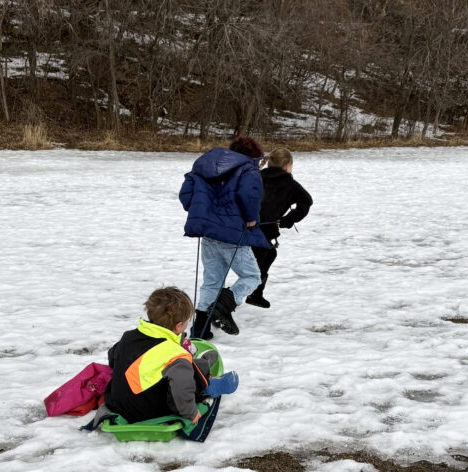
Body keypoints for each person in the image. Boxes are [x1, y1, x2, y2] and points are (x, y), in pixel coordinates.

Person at [104, 286, 238, 424]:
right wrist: (191, 413)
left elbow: (112, 358)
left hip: (118, 405)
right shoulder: (174, 353)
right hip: (150, 412)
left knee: (176, 368)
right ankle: (207, 383)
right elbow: (181, 390)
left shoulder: (128, 337)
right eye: (187, 321)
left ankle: (201, 366)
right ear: (179, 326)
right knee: (186, 373)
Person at [179, 137, 269, 337]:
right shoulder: (248, 170)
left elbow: (186, 195)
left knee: (212, 281)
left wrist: (202, 212)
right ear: (253, 155)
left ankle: (200, 329)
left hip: (209, 234)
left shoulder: (205, 166)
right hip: (233, 234)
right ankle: (222, 305)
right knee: (253, 276)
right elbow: (249, 194)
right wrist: (251, 218)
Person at [247, 148, 313, 308]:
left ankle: (255, 293)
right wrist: (287, 220)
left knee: (269, 254)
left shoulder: (256, 177)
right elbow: (307, 201)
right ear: (287, 166)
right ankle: (226, 304)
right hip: (262, 230)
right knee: (254, 268)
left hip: (246, 226)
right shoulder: (290, 184)